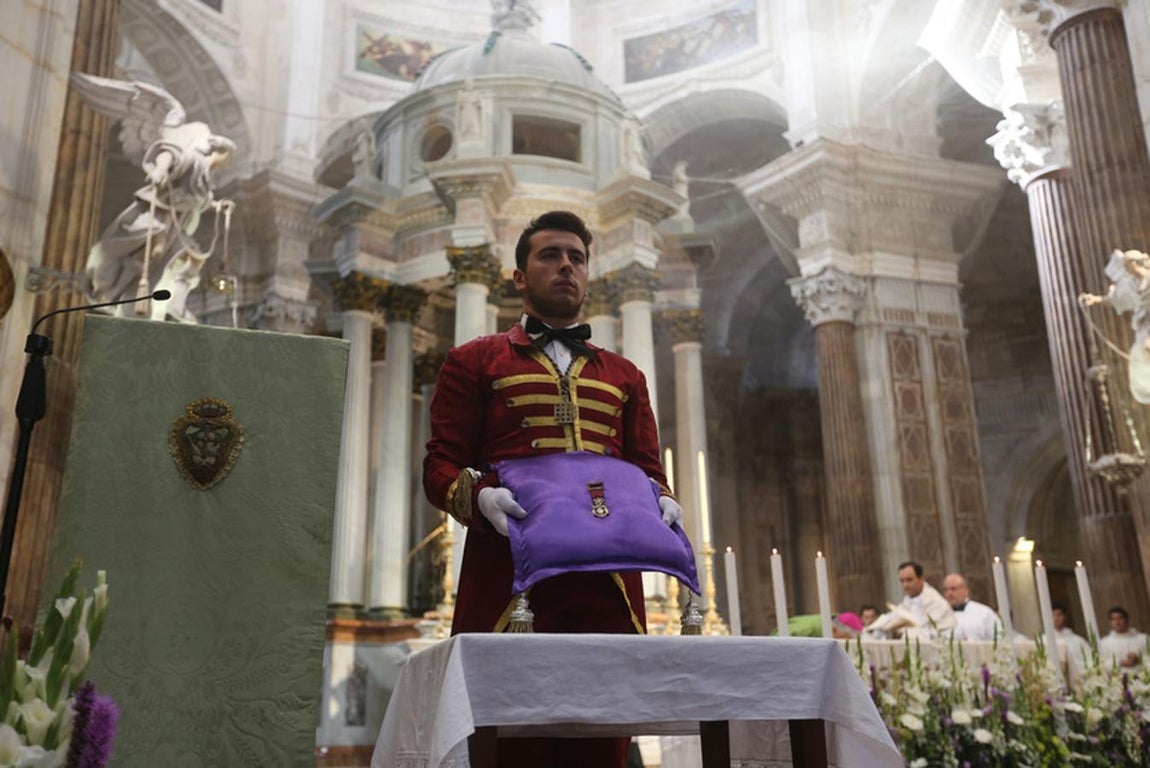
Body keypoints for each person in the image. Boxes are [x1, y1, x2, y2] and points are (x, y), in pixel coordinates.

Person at [423, 210, 681, 768]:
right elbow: (440, 465)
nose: (566, 266)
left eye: (577, 258)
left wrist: (660, 497)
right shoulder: (472, 361)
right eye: (549, 255)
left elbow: (645, 465)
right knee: (509, 739)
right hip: (510, 583)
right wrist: (482, 498)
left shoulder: (625, 375)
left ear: (588, 274)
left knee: (603, 739)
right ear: (519, 277)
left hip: (608, 584)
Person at [897, 561, 956, 638]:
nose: (905, 585)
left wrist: (905, 632)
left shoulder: (936, 602)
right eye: (902, 581)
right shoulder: (905, 602)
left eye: (909, 580)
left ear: (921, 579)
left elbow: (934, 632)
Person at [942, 572, 1003, 641]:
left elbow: (998, 638)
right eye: (945, 590)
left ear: (965, 591)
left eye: (953, 589)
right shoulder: (939, 615)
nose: (949, 593)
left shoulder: (984, 612)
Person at [1052, 602, 1091, 673]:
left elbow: (1090, 661)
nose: (1056, 618)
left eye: (1059, 615)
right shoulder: (1044, 641)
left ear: (1064, 616)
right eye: (1053, 615)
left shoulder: (1078, 641)